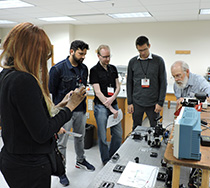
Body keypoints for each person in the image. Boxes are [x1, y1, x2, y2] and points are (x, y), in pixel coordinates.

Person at [0, 22, 86, 188]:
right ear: (31, 53)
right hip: (29, 165)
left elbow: (28, 116)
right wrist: (70, 107)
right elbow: (42, 132)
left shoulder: (7, 75)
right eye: (41, 57)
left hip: (13, 157)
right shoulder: (24, 80)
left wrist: (61, 105)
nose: (41, 63)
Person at [49, 40, 95, 186]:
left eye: (85, 54)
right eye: (81, 53)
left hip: (80, 110)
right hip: (64, 111)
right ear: (72, 51)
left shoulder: (84, 68)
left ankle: (80, 160)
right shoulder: (57, 69)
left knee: (80, 137)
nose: (83, 57)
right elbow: (51, 94)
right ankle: (61, 171)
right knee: (62, 142)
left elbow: (84, 86)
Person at [89, 45, 122, 165]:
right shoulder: (94, 70)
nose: (107, 59)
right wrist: (110, 107)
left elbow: (117, 86)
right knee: (102, 136)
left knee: (118, 134)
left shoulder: (113, 68)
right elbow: (97, 92)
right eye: (104, 57)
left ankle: (112, 155)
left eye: (109, 56)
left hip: (113, 103)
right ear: (98, 56)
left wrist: (113, 98)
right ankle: (105, 160)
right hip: (101, 106)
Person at [127, 36, 167, 130]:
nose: (143, 53)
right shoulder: (133, 62)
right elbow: (129, 83)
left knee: (155, 128)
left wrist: (160, 102)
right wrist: (130, 102)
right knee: (136, 128)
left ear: (149, 46)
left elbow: (163, 83)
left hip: (153, 103)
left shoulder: (158, 61)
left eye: (144, 49)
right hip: (137, 102)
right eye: (140, 50)